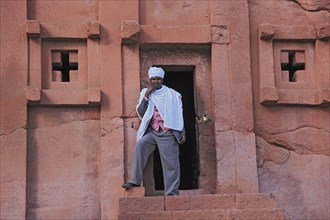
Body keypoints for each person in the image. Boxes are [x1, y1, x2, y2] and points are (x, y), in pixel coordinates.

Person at [122, 67, 186, 196]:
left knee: (170, 164)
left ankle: (172, 193)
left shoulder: (172, 94)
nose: (156, 81)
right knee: (140, 145)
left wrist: (182, 130)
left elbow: (178, 113)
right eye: (153, 79)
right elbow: (140, 111)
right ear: (150, 80)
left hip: (167, 132)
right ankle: (135, 180)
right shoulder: (146, 93)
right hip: (152, 132)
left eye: (158, 79)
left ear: (162, 79)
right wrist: (147, 95)